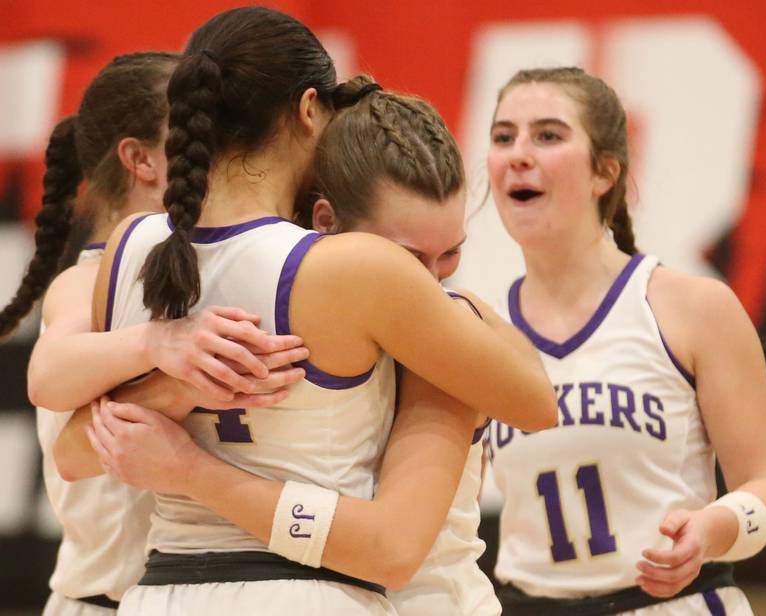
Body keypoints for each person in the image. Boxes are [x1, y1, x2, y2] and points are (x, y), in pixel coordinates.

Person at [57, 7, 555, 616]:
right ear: (309, 108)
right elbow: (535, 401)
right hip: (307, 588)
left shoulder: (130, 246)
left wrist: (172, 386)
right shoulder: (352, 268)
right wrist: (464, 310)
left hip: (160, 592)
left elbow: (76, 449)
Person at [5, 51, 307, 615]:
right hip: (101, 601)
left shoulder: (223, 270)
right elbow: (46, 375)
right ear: (141, 160)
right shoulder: (89, 279)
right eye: (195, 130)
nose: (218, 149)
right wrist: (156, 344)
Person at [482, 67, 766, 615]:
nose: (518, 154)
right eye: (504, 136)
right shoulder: (475, 329)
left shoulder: (692, 307)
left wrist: (714, 528)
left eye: (548, 135)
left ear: (605, 172)